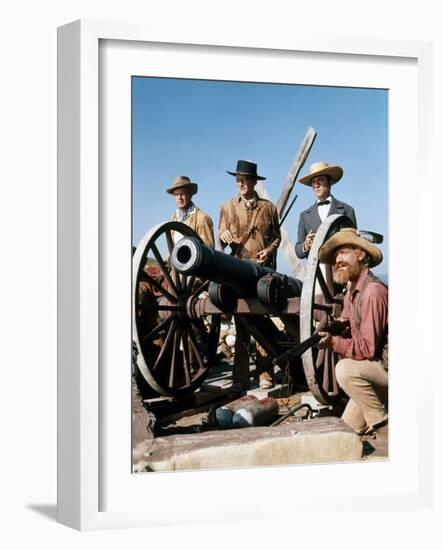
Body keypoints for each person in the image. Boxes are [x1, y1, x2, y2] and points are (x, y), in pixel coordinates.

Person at [317, 227, 388, 435]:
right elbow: (347, 320)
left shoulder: (373, 291)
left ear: (361, 254)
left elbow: (367, 348)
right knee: (347, 431)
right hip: (373, 372)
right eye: (336, 254)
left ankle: (385, 427)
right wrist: (337, 325)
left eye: (344, 252)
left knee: (345, 370)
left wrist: (334, 343)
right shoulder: (351, 290)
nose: (338, 259)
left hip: (388, 369)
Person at [219, 160, 281, 391]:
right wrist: (222, 235)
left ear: (255, 182)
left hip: (262, 272)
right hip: (237, 269)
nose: (241, 183)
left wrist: (270, 250)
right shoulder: (227, 207)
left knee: (262, 319)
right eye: (238, 179)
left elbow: (276, 237)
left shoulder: (269, 208)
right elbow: (222, 239)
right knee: (241, 320)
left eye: (245, 179)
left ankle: (266, 374)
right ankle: (241, 377)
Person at [295, 162, 357, 259]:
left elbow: (354, 244)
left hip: (340, 268)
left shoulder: (347, 210)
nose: (316, 185)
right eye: (313, 182)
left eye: (321, 180)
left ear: (330, 182)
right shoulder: (304, 215)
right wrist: (305, 245)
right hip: (316, 271)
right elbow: (298, 251)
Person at [167, 176, 215, 247]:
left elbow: (209, 249)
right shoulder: (174, 218)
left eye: (182, 194)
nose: (179, 198)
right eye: (176, 194)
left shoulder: (202, 218)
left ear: (190, 195)